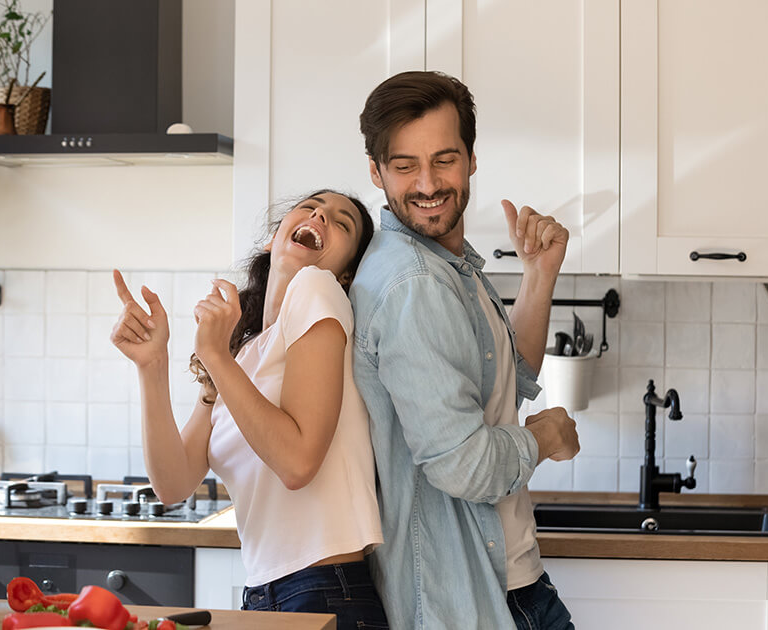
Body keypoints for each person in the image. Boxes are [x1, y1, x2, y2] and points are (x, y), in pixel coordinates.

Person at [350, 71, 580, 629]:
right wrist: (543, 438)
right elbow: (462, 465)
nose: (427, 183)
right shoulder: (415, 284)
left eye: (444, 159)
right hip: (473, 595)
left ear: (472, 158)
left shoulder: (448, 266)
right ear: (377, 172)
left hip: (507, 580)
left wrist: (539, 276)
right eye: (405, 166)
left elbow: (507, 376)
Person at [110, 190, 388, 630]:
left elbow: (297, 463)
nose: (320, 214)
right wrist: (153, 364)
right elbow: (173, 482)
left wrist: (214, 355)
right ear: (271, 240)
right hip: (266, 590)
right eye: (312, 206)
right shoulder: (243, 351)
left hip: (324, 589)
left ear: (348, 274)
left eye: (342, 222)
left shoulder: (318, 289)